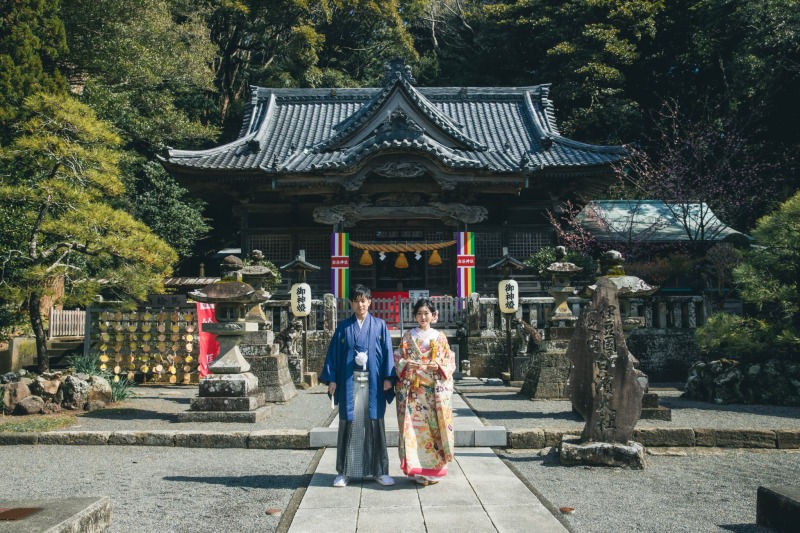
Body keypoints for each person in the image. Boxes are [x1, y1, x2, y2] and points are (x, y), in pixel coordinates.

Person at [320, 284, 396, 488]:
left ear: (370, 302)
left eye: (364, 300)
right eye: (356, 300)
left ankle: (380, 471)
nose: (360, 304)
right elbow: (334, 355)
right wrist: (332, 379)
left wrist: (389, 377)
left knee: (374, 423)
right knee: (349, 424)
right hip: (349, 381)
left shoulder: (380, 326)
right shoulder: (344, 327)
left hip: (374, 382)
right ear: (351, 303)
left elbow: (388, 353)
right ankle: (344, 472)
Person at [394, 297, 455, 485]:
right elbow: (397, 357)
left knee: (434, 430)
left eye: (426, 313)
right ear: (414, 316)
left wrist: (438, 366)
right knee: (413, 431)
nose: (423, 317)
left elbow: (449, 360)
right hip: (412, 392)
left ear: (433, 315)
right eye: (419, 313)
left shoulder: (440, 337)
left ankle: (434, 470)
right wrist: (406, 364)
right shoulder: (407, 337)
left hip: (433, 393)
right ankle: (418, 471)